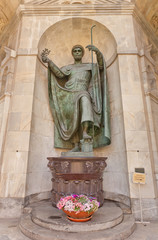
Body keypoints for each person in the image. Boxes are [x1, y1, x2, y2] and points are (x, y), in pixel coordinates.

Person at [41, 44, 110, 152]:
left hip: (83, 91)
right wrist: (48, 61)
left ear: (82, 53)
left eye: (79, 51)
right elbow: (59, 74)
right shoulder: (69, 67)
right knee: (73, 118)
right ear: (72, 54)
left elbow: (101, 66)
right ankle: (76, 144)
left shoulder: (90, 66)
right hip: (69, 93)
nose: (77, 52)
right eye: (75, 51)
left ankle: (85, 132)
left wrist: (98, 53)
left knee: (85, 99)